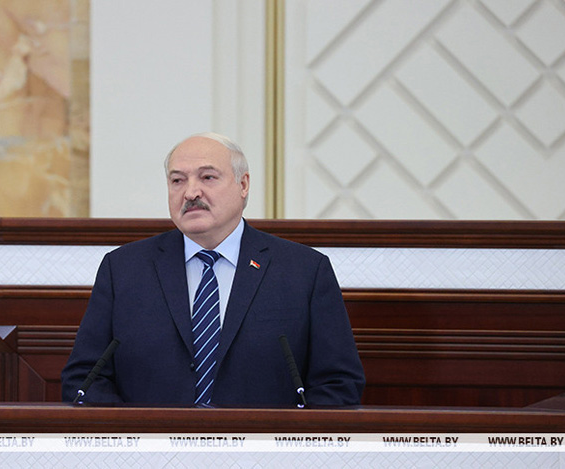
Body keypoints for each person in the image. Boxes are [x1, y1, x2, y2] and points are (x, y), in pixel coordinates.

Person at [61, 132, 365, 407]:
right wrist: (134, 436)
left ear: (243, 185)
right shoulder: (124, 269)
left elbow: (338, 384)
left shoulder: (305, 271)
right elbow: (85, 379)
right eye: (177, 181)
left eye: (207, 177)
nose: (190, 193)